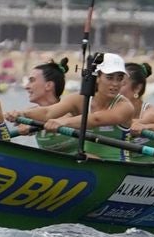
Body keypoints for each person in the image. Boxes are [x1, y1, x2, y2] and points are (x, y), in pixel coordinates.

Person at [7, 51, 135, 159]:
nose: (115, 84)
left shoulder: (125, 106)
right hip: (87, 162)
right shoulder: (79, 99)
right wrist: (22, 114)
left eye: (119, 78)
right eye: (110, 77)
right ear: (97, 77)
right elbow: (48, 112)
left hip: (116, 165)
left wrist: (64, 123)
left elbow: (96, 119)